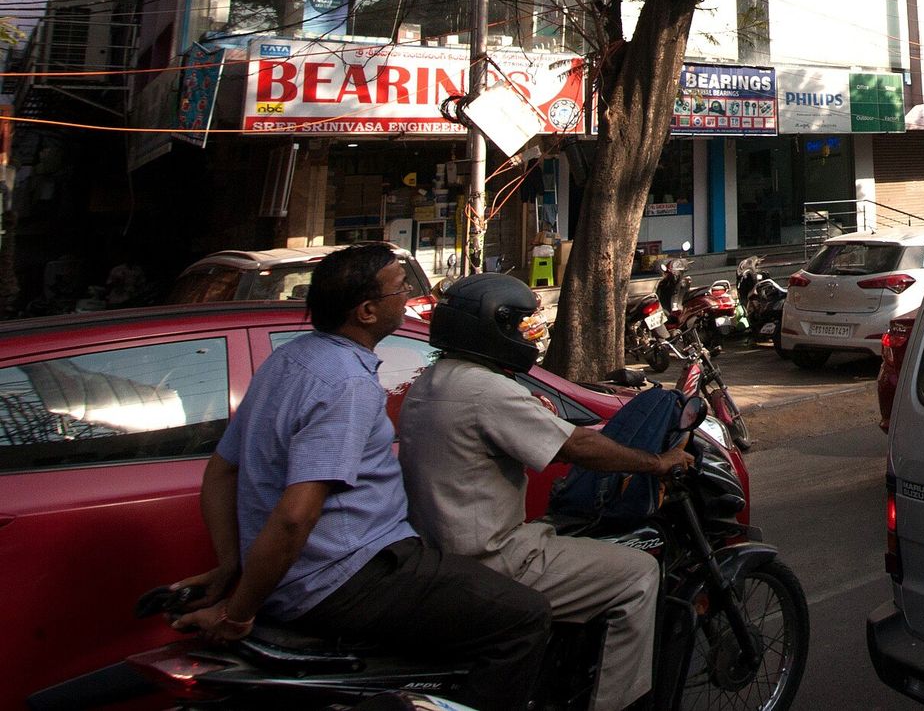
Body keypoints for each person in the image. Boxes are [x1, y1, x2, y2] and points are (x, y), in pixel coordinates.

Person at [171, 244, 549, 711]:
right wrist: (238, 611)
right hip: (349, 574)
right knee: (524, 618)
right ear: (368, 311)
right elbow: (295, 516)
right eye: (400, 288)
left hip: (325, 570)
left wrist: (233, 566)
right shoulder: (346, 383)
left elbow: (222, 471)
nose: (408, 295)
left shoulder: (288, 361)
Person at [400, 274, 694, 711]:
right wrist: (656, 462)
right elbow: (578, 447)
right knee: (637, 574)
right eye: (516, 325)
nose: (525, 335)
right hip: (494, 556)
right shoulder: (485, 389)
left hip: (441, 553)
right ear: (491, 327)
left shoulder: (433, 381)